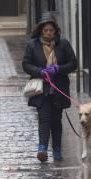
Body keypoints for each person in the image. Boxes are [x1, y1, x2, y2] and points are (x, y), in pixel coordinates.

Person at [22, 17, 78, 163]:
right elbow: (26, 64)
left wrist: (59, 69)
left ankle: (57, 149)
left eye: (51, 30)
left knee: (56, 121)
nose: (48, 33)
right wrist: (40, 71)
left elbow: (73, 63)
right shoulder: (32, 45)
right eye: (45, 30)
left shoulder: (63, 44)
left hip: (58, 89)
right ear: (41, 31)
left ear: (55, 31)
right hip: (42, 90)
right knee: (44, 119)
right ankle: (42, 148)